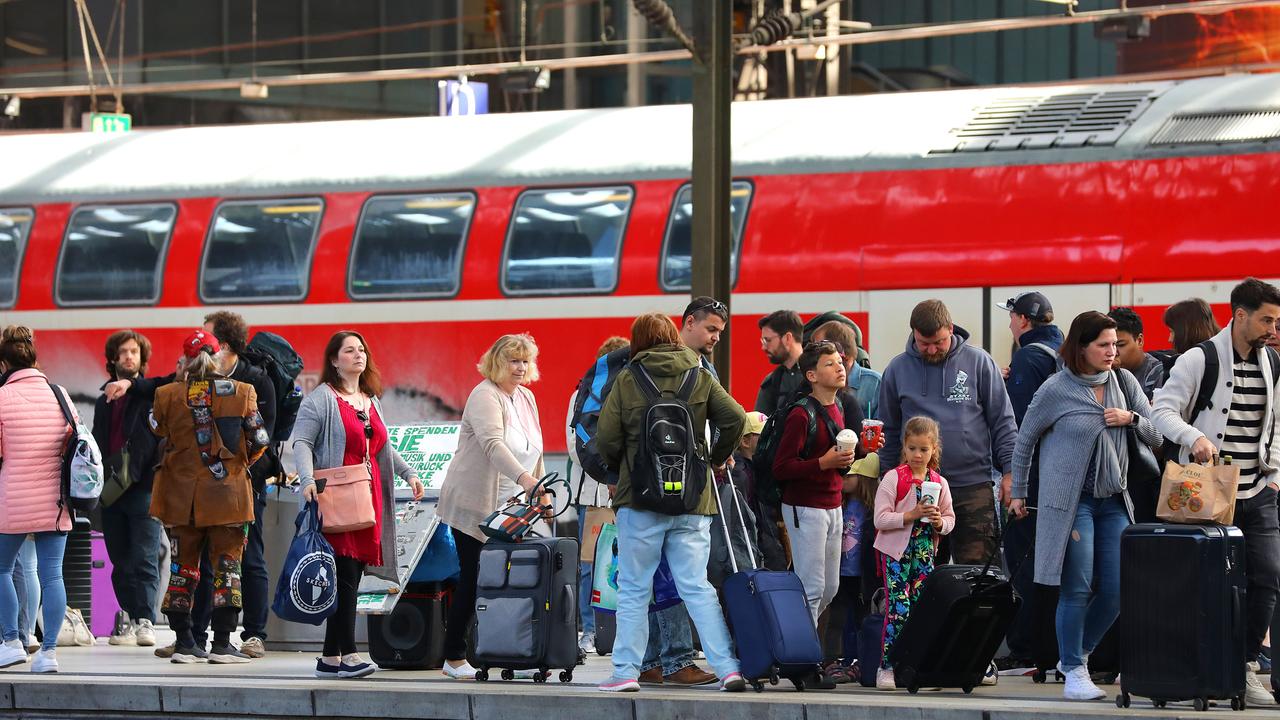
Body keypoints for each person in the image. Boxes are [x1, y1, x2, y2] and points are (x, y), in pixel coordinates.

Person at [1010, 311, 1162, 701]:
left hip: (1114, 500)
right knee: (1075, 588)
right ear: (1081, 347)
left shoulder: (1124, 382)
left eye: (1115, 344)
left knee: (1116, 590)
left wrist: (1130, 419)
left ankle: (1077, 654)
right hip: (1070, 503)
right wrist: (1019, 493)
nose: (1112, 351)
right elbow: (1024, 441)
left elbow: (1157, 436)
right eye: (1104, 345)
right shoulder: (1055, 389)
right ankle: (1075, 670)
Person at [595, 312, 748, 693]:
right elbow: (737, 418)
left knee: (634, 588)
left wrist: (623, 467)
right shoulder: (699, 374)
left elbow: (607, 438)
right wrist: (714, 456)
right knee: (696, 586)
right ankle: (728, 668)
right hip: (693, 500)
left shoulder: (629, 378)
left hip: (641, 502)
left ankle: (626, 673)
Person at [1152, 278, 1280, 707]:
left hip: (1258, 490)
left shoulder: (1273, 363)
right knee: (1202, 582)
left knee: (1267, 578)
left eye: (1276, 320)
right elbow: (1161, 409)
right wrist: (1195, 438)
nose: (1272, 328)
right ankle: (1201, 666)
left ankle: (1243, 667)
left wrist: (1275, 474)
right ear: (1239, 315)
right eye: (1266, 319)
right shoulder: (1199, 358)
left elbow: (1277, 425)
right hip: (1206, 489)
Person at [295, 330, 424, 679]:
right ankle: (349, 654)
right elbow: (302, 443)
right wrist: (307, 480)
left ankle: (329, 658)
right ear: (334, 361)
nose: (358, 355)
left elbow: (383, 446)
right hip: (336, 497)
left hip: (366, 498)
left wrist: (408, 472)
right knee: (345, 576)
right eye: (349, 351)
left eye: (361, 349)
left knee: (347, 575)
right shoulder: (321, 399)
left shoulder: (369, 400)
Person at [150, 330, 271, 665]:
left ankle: (185, 642)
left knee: (182, 569)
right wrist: (237, 465)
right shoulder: (243, 391)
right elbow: (260, 440)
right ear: (218, 357)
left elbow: (157, 430)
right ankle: (221, 644)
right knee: (227, 567)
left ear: (187, 361)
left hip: (180, 497)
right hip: (228, 497)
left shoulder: (166, 394)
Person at [436, 333, 550, 681]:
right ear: (496, 362)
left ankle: (499, 647)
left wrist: (541, 489)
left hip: (512, 504)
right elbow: (493, 445)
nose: (520, 368)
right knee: (474, 577)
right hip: (476, 503)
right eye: (513, 360)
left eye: (525, 361)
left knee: (506, 579)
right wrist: (526, 481)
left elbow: (536, 448)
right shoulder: (484, 395)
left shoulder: (526, 397)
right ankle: (453, 656)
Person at [878, 300, 1017, 564]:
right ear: (913, 334)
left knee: (978, 574)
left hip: (972, 486)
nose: (931, 350)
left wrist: (1011, 472)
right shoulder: (896, 370)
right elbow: (888, 429)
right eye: (923, 343)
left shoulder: (979, 363)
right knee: (922, 574)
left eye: (938, 342)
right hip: (916, 489)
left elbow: (1003, 423)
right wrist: (888, 481)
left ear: (950, 329)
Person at [200, 311, 277, 658]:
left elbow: (265, 437)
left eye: (208, 340)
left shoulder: (257, 382)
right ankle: (200, 632)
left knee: (251, 557)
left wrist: (243, 474)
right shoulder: (203, 378)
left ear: (225, 345)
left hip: (247, 482)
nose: (202, 346)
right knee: (206, 560)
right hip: (209, 485)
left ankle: (255, 633)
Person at [995, 291, 1062, 676]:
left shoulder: (1029, 357)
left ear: (1023, 320)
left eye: (1011, 317)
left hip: (1033, 479)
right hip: (1064, 478)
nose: (1009, 324)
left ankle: (1025, 647)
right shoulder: (1062, 352)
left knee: (1024, 561)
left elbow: (1019, 428)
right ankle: (1053, 647)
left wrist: (1015, 481)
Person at [0, 326, 73, 673]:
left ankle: (12, 641)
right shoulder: (59, 394)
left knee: (1, 568)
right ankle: (48, 654)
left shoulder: (1, 398)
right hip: (55, 503)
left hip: (11, 502)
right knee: (52, 576)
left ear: (3, 364)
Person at [772, 341, 854, 623]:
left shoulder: (838, 406)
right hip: (804, 507)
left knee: (830, 588)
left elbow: (835, 459)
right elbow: (781, 468)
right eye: (829, 364)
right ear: (812, 376)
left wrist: (862, 451)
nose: (839, 368)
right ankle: (803, 657)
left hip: (834, 504)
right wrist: (824, 462)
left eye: (840, 362)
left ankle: (800, 643)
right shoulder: (800, 413)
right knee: (811, 587)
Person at [92, 330, 163, 648]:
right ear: (113, 359)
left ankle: (146, 620)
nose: (129, 357)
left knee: (145, 557)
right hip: (111, 489)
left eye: (134, 352)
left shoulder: (150, 395)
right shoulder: (103, 400)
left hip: (143, 487)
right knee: (119, 560)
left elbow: (150, 444)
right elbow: (97, 440)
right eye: (123, 352)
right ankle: (130, 618)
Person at [872, 416, 955, 691]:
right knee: (898, 608)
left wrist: (938, 523)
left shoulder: (939, 481)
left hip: (923, 551)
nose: (917, 455)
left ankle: (918, 665)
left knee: (922, 609)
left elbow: (950, 518)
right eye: (912, 448)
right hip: (895, 552)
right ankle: (887, 666)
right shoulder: (894, 477)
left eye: (924, 449)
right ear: (904, 448)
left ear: (934, 450)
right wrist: (911, 515)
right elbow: (880, 519)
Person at [566, 335, 629, 655]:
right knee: (592, 565)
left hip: (625, 494)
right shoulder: (583, 394)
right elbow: (576, 448)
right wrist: (615, 470)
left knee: (624, 566)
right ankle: (590, 630)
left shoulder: (632, 393)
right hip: (595, 495)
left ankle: (620, 629)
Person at [824, 452, 878, 683]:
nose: (843, 478)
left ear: (864, 477)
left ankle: (862, 660)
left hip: (863, 576)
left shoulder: (874, 510)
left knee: (863, 620)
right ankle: (830, 660)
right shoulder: (838, 503)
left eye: (850, 475)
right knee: (835, 618)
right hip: (840, 573)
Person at [812, 320, 882, 420]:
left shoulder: (875, 383)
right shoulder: (813, 381)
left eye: (819, 347)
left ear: (840, 351)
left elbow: (884, 427)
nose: (813, 354)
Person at [1109, 307, 1166, 400]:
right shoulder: (1104, 372)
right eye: (1106, 345)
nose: (1113, 352)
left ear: (1139, 341)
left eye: (1121, 345)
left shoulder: (1158, 376)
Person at [755, 310, 805, 416]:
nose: (763, 347)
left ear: (787, 338)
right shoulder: (771, 382)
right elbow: (760, 426)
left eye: (767, 340)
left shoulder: (819, 374)